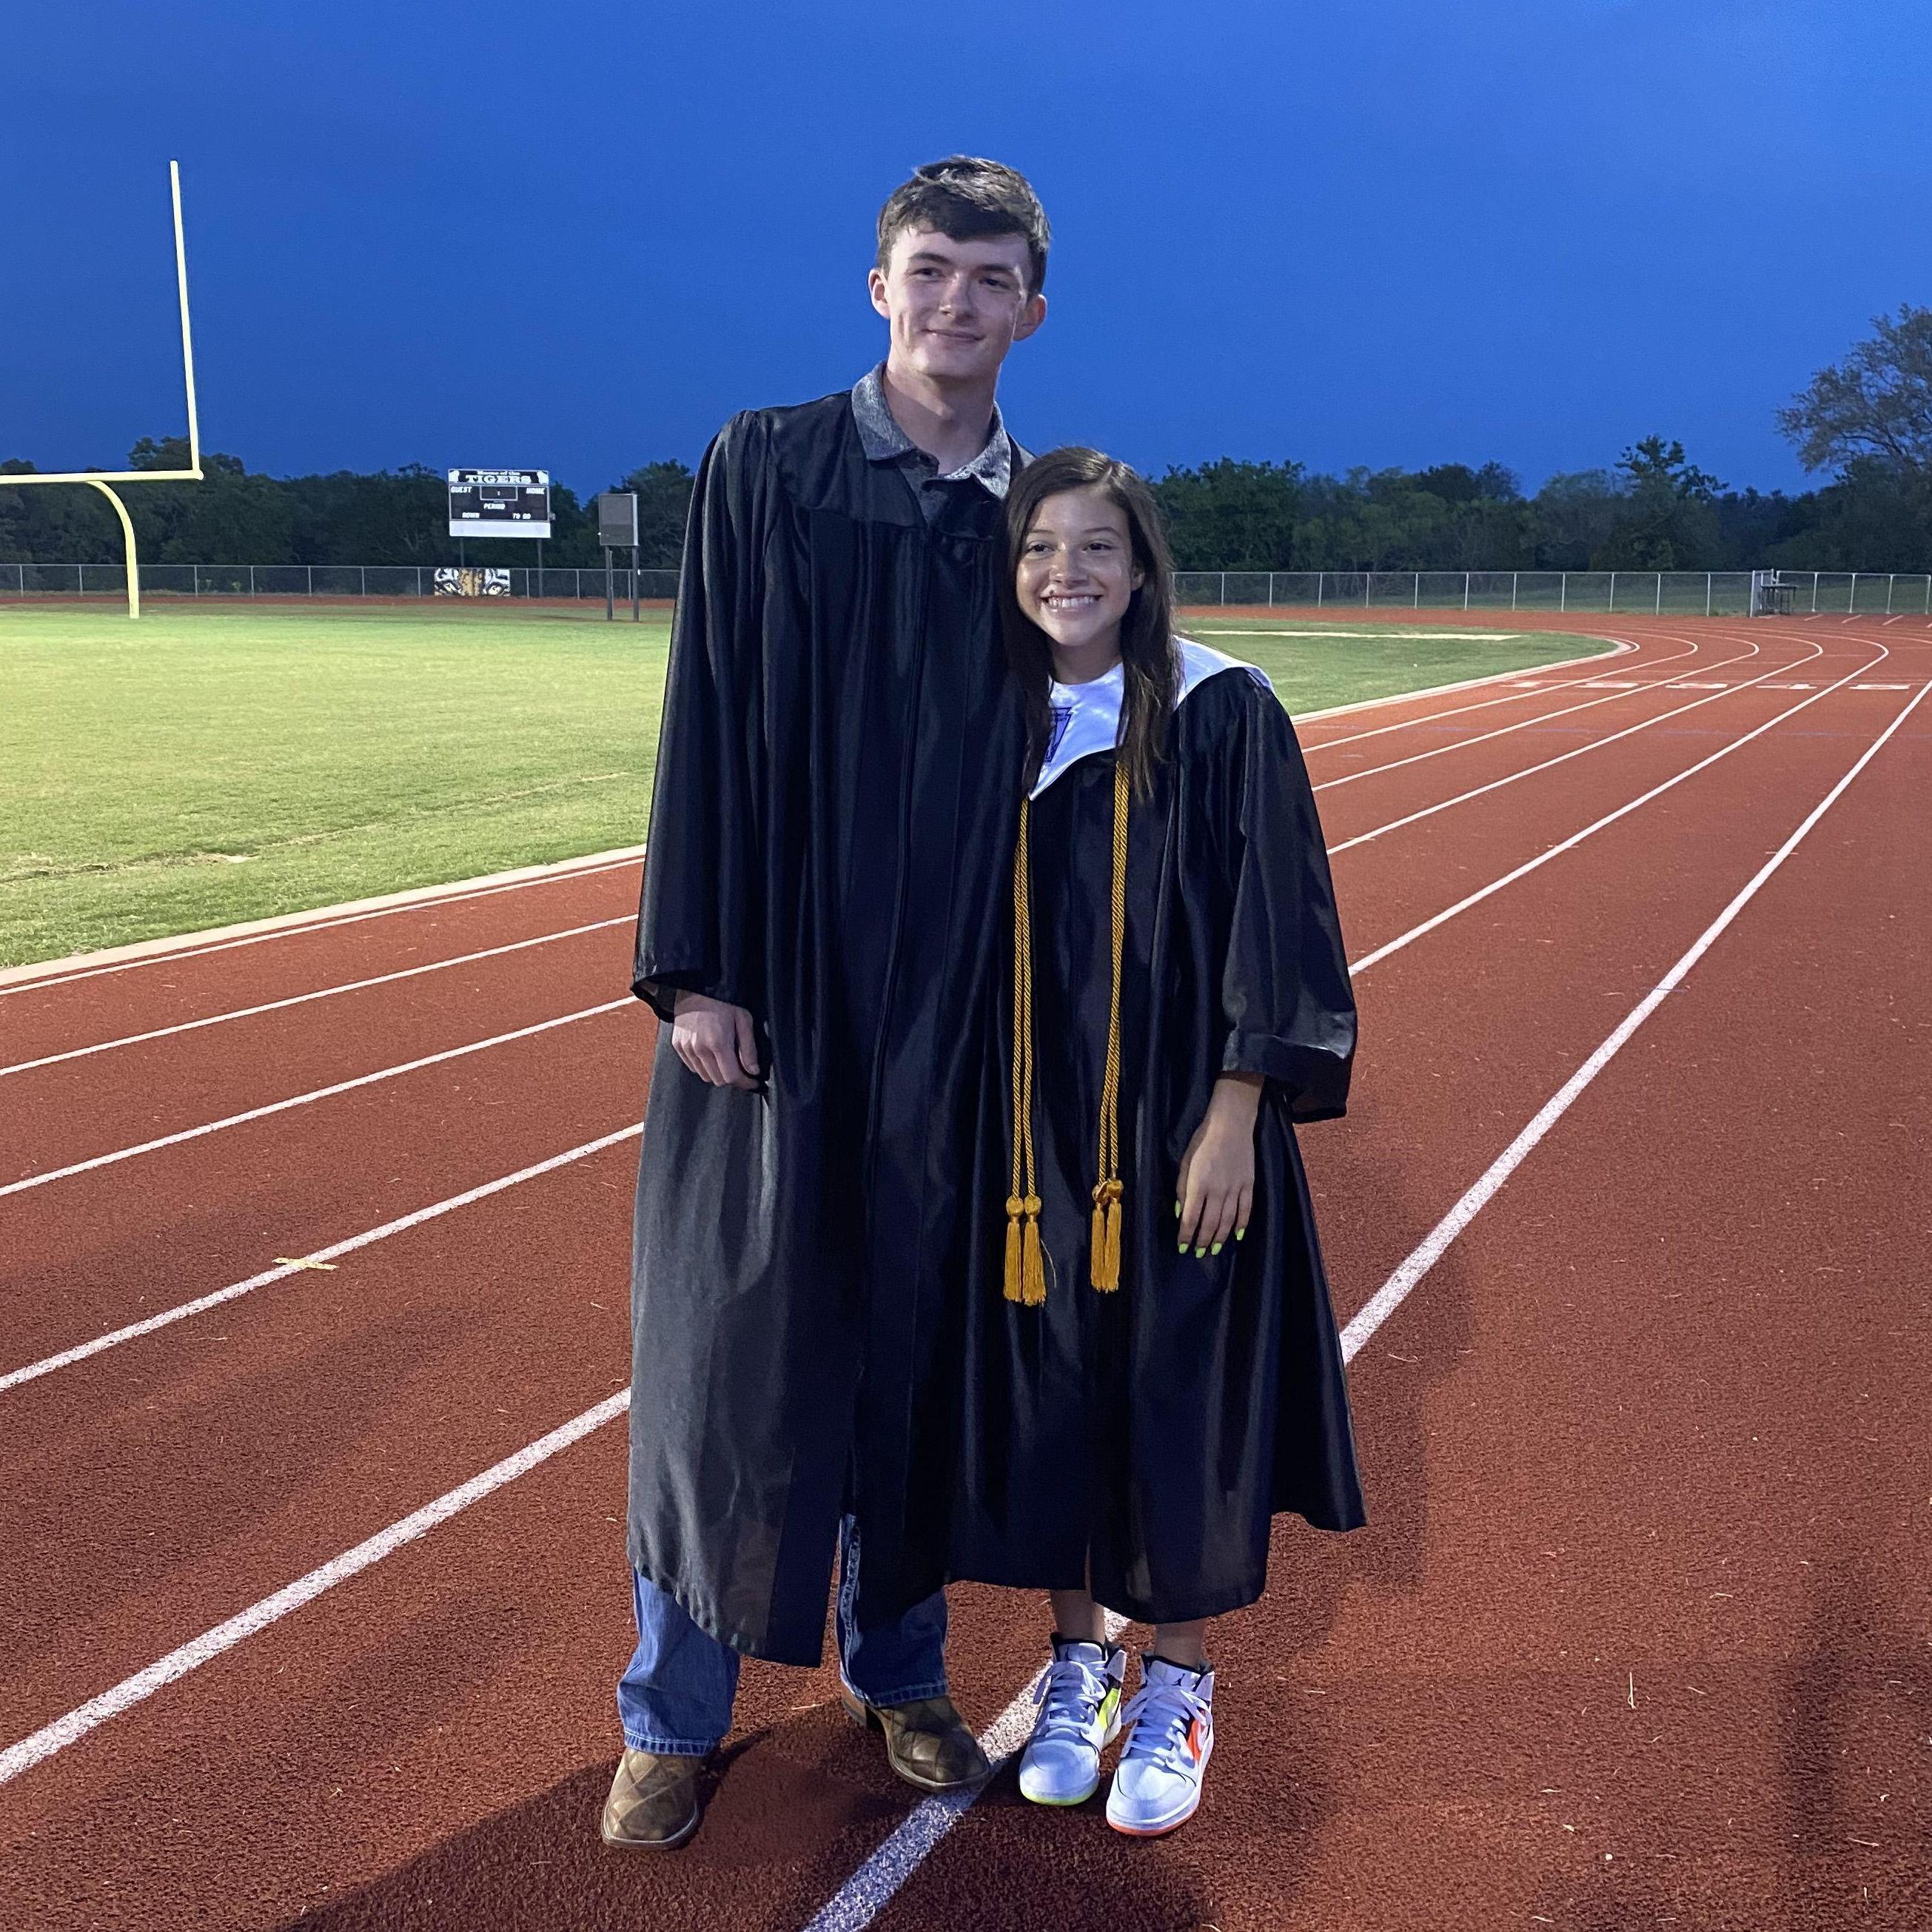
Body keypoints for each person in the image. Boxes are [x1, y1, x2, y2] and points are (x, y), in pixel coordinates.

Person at [600, 158, 1049, 1853]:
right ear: (881, 288)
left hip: (955, 998)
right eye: (931, 269)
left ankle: (903, 1672)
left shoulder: (1041, 511)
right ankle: (671, 1714)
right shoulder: (771, 465)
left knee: (917, 1348)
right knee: (726, 1357)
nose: (956, 302)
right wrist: (695, 965)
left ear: (1029, 310)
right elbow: (707, 704)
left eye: (989, 277)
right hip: (777, 986)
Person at [945, 447, 1365, 1837]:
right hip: (1028, 1133)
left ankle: (1177, 1680)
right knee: (1055, 1382)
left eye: (1095, 547)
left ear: (1140, 569)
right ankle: (1079, 1664)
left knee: (1179, 1385)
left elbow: (1275, 915)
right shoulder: (988, 720)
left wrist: (1238, 1110)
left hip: (1180, 1116)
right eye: (1038, 547)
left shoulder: (1217, 707)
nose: (1064, 572)